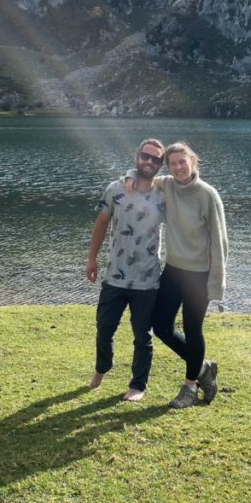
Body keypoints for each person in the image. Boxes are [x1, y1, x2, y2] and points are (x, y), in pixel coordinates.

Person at [126, 141, 227, 409]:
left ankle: (190, 388)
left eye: (183, 161)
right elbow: (145, 175)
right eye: (173, 164)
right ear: (168, 167)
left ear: (193, 161)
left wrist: (216, 284)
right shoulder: (168, 185)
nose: (178, 167)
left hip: (198, 276)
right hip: (172, 271)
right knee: (161, 327)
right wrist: (130, 174)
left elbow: (220, 242)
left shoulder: (208, 195)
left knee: (193, 330)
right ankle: (204, 368)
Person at [86, 139, 167, 402]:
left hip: (148, 278)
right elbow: (100, 225)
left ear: (160, 165)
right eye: (146, 156)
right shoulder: (116, 189)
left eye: (156, 159)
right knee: (104, 328)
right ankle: (102, 369)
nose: (150, 162)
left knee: (142, 335)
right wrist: (92, 259)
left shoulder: (165, 194)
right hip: (115, 275)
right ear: (138, 157)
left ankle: (138, 385)